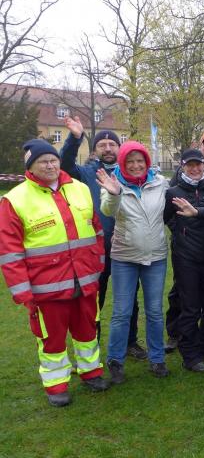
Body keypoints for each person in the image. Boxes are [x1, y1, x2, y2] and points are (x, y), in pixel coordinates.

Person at [0, 140, 108, 406]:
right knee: (52, 338)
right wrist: (23, 292)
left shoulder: (80, 189)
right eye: (42, 162)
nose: (49, 166)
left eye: (53, 160)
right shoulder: (15, 200)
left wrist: (98, 266)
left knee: (87, 331)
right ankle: (56, 384)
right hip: (46, 287)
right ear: (30, 167)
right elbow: (10, 252)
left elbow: (96, 230)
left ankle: (91, 372)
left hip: (85, 280)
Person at [59, 117, 146, 360]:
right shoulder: (86, 173)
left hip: (126, 248)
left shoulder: (129, 172)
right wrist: (75, 138)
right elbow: (65, 164)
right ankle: (92, 343)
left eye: (112, 144)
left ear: (119, 148)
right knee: (94, 301)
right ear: (95, 149)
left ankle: (130, 342)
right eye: (102, 145)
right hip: (95, 251)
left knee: (129, 299)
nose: (107, 149)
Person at [98, 142, 170, 383]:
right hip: (124, 257)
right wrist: (114, 194)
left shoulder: (160, 183)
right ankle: (116, 360)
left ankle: (157, 359)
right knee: (122, 312)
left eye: (140, 161)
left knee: (154, 311)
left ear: (147, 162)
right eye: (130, 161)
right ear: (122, 163)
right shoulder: (112, 183)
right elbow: (108, 211)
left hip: (156, 256)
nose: (136, 165)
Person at [163, 149, 204, 372]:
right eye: (190, 165)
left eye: (198, 164)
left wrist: (196, 212)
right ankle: (190, 354)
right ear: (183, 166)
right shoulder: (173, 192)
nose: (195, 169)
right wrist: (182, 232)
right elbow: (166, 218)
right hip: (186, 257)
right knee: (190, 308)